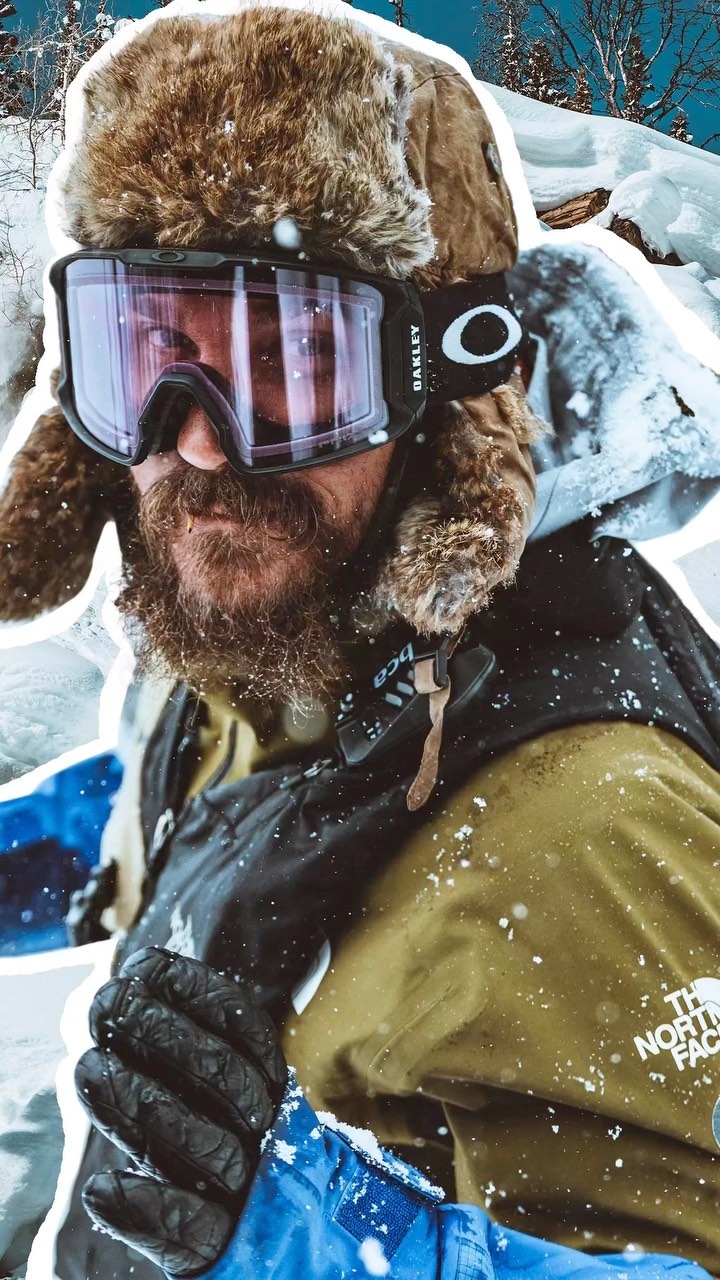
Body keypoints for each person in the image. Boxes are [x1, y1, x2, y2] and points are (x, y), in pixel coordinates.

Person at [1, 2, 720, 1277]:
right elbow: (217, 793)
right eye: (151, 351)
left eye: (290, 359)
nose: (199, 442)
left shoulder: (592, 832)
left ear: (442, 388)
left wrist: (307, 1241)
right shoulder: (282, 628)